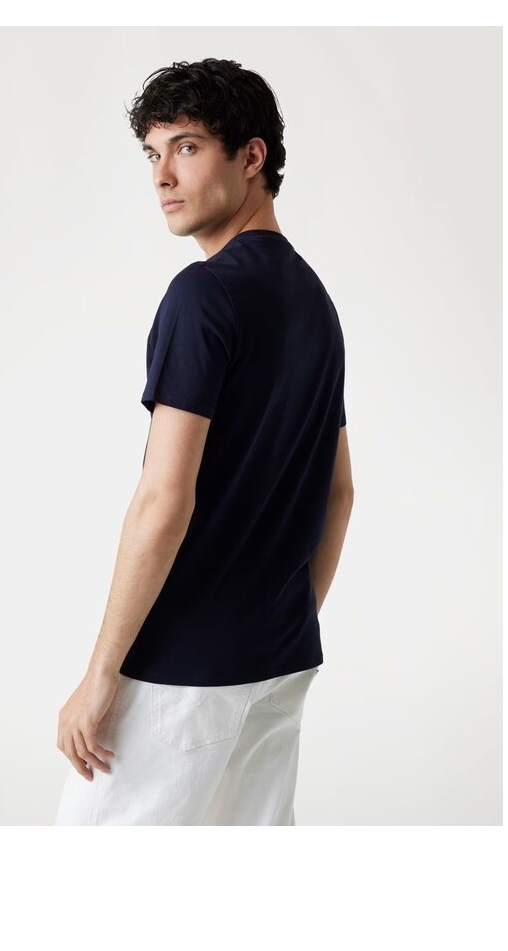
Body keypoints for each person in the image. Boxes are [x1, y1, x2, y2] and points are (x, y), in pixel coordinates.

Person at [54, 58, 354, 825]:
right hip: (279, 661)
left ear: (252, 157)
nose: (162, 175)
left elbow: (164, 498)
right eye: (152, 154)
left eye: (186, 148)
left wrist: (101, 673)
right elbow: (339, 492)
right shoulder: (314, 302)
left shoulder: (204, 296)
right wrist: (283, 620)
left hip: (181, 670)